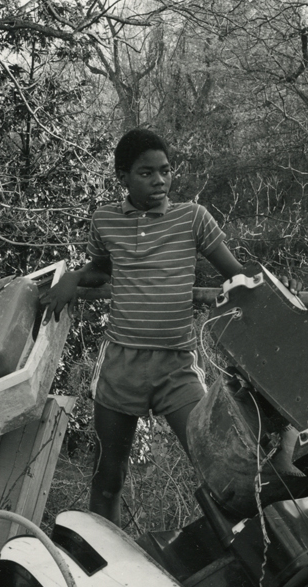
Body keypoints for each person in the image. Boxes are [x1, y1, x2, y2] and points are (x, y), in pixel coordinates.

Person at [41, 127, 260, 523]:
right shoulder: (105, 220)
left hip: (176, 364)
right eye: (146, 172)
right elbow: (100, 270)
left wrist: (269, 286)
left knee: (216, 463)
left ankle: (233, 553)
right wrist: (72, 279)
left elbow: (236, 274)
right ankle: (105, 561)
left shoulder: (192, 218)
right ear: (123, 177)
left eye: (165, 170)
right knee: (109, 475)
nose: (159, 180)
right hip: (121, 364)